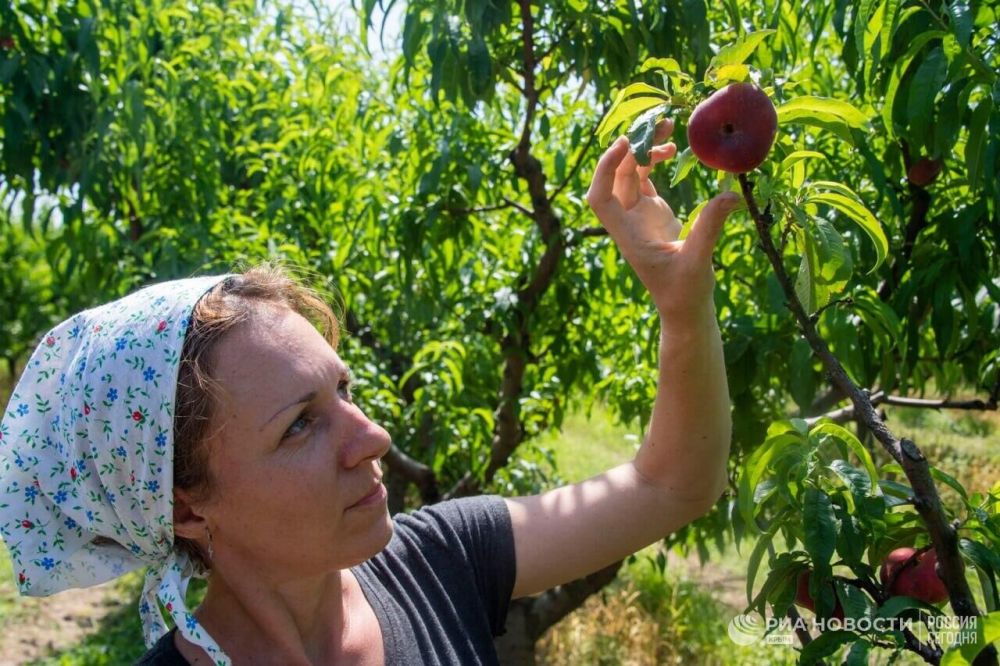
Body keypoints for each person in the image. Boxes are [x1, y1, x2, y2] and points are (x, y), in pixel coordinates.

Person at [0, 120, 740, 665]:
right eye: (299, 426)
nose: (374, 438)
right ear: (188, 508)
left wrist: (681, 306)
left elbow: (672, 485)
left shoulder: (438, 559)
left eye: (343, 392)